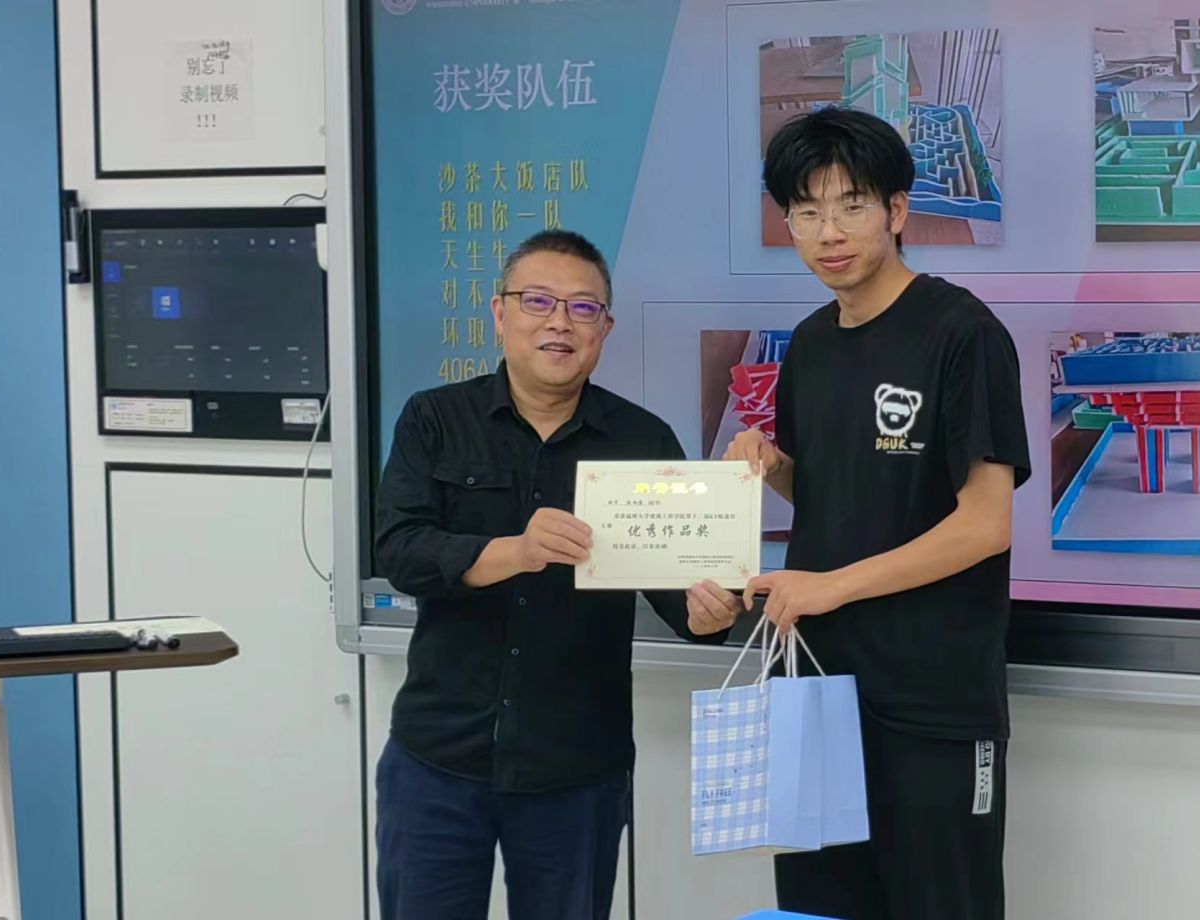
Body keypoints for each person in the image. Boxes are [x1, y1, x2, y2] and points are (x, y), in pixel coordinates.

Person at [371, 229, 743, 920]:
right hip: (437, 758)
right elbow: (398, 549)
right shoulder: (434, 418)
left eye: (583, 308)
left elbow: (683, 599)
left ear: (605, 328)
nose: (560, 323)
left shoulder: (642, 441)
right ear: (500, 313)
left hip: (577, 771)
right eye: (538, 301)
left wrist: (709, 611)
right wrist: (513, 551)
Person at [727, 106, 1032, 919]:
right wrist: (773, 467)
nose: (828, 232)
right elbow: (838, 494)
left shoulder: (962, 333)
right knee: (818, 912)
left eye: (851, 204)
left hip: (932, 704)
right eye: (805, 211)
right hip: (815, 692)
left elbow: (984, 524)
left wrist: (830, 586)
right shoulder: (810, 343)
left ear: (897, 210)